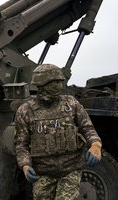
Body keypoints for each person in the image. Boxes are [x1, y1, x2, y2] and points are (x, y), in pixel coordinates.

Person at [15, 64, 102, 199]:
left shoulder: (71, 104)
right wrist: (25, 165)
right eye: (55, 82)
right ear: (42, 83)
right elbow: (21, 144)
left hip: (71, 169)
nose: (60, 86)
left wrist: (96, 145)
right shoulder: (25, 111)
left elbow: (87, 128)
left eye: (61, 82)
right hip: (43, 172)